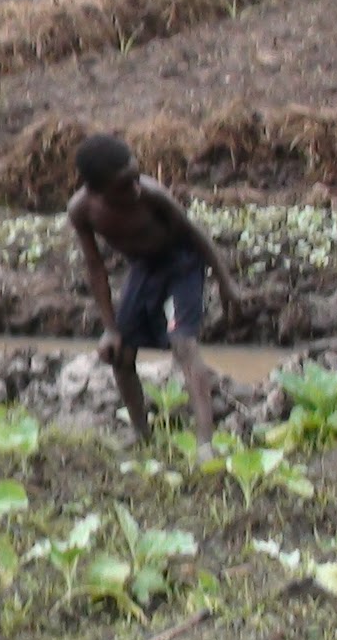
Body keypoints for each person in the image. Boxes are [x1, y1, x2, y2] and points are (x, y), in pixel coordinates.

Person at [67, 134, 241, 458]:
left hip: (182, 263)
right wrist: (110, 327)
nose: (135, 187)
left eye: (136, 176)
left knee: (183, 343)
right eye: (124, 185)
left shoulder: (151, 194)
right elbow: (95, 268)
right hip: (144, 268)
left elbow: (194, 233)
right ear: (95, 190)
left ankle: (205, 441)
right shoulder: (82, 211)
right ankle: (140, 432)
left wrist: (225, 282)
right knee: (120, 353)